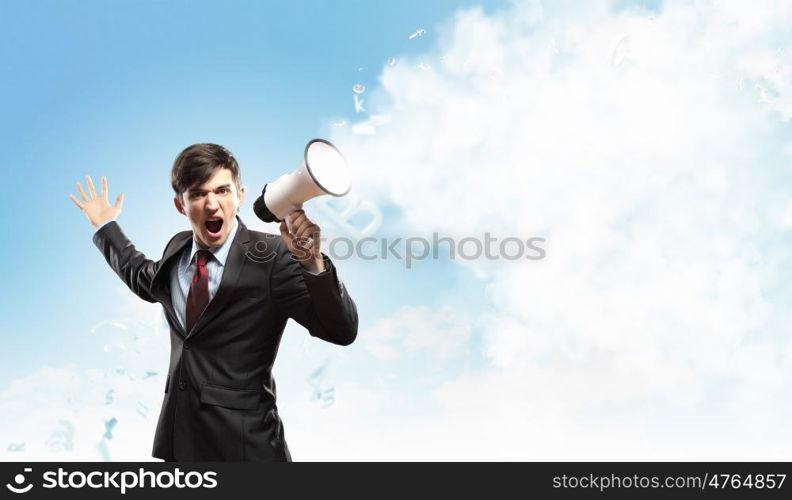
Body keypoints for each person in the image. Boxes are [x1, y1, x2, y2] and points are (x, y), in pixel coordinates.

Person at [68, 143, 358, 461]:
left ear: (240, 195)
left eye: (222, 191)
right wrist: (105, 226)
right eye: (197, 194)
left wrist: (312, 262)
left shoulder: (274, 257)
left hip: (247, 448)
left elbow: (340, 330)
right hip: (180, 446)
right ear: (180, 205)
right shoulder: (177, 250)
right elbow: (141, 276)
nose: (211, 205)